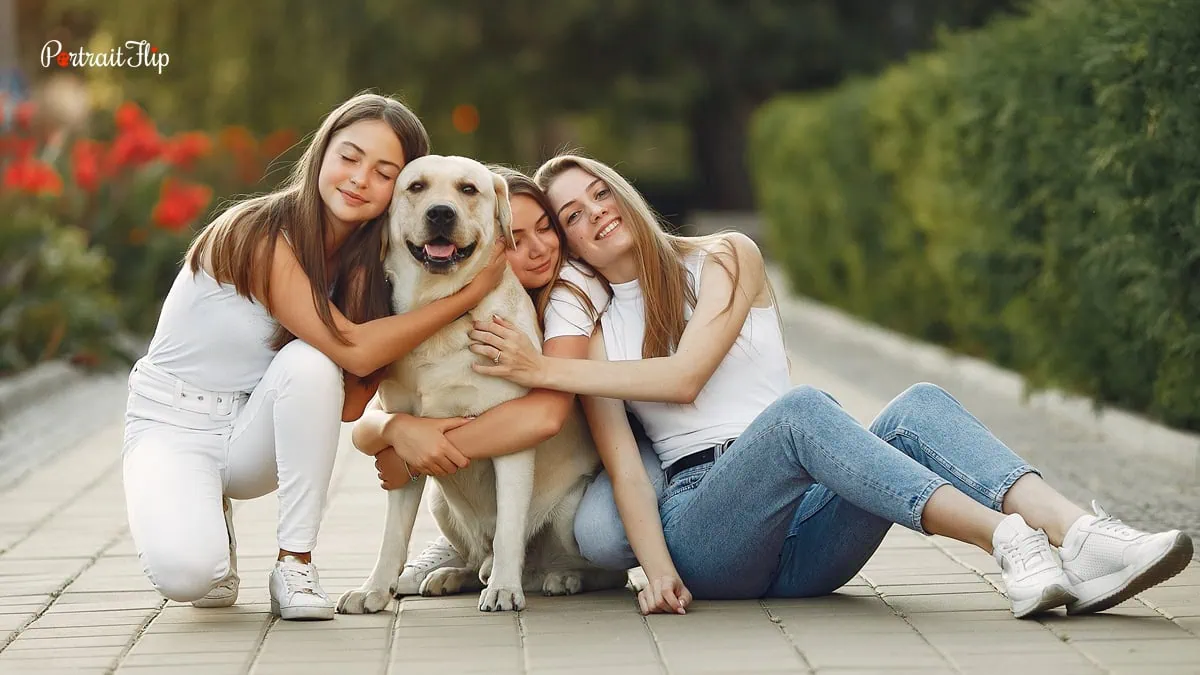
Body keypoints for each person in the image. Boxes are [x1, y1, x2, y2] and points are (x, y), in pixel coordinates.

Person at [466, 153, 1195, 618]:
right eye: (573, 214)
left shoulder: (725, 256)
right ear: (570, 237)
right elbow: (627, 463)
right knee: (802, 412)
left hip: (812, 538)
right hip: (711, 530)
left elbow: (687, 373)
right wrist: (657, 571)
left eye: (601, 193)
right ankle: (1011, 540)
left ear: (622, 192)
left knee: (917, 405)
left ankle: (1086, 538)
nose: (595, 212)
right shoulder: (585, 314)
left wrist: (539, 369)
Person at [121, 93, 507, 621]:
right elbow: (353, 347)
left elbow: (345, 404)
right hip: (172, 422)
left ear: (398, 193)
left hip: (254, 433)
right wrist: (467, 294)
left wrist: (396, 421)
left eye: (383, 172)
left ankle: (295, 565)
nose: (359, 179)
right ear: (322, 152)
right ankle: (207, 515)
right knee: (192, 577)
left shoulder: (368, 269)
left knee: (310, 362)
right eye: (349, 157)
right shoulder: (256, 232)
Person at [352, 168, 663, 593]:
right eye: (516, 235)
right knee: (442, 503)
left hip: (566, 492)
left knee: (600, 533)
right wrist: (392, 428)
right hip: (473, 506)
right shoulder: (420, 304)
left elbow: (541, 418)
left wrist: (412, 455)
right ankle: (466, 553)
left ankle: (504, 557)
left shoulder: (570, 293)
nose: (535, 249)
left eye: (545, 229)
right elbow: (368, 420)